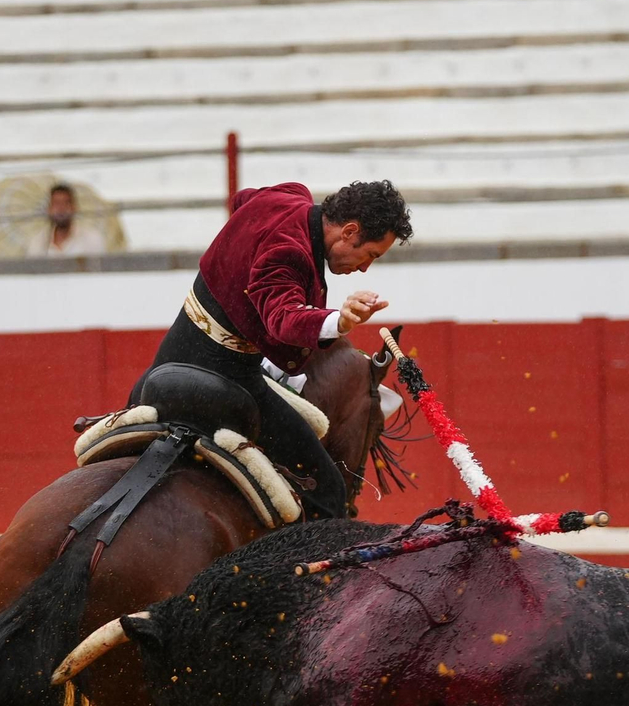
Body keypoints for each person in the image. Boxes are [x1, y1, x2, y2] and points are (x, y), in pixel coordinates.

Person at [124, 180, 411, 522]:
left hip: (170, 358)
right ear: (349, 231)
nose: (364, 268)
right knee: (329, 490)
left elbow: (242, 199)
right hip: (224, 378)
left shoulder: (288, 196)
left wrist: (240, 253)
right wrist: (341, 320)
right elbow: (283, 319)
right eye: (371, 255)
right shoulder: (289, 252)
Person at [25, 183, 108, 256]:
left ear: (74, 208)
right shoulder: (37, 243)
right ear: (49, 209)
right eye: (56, 203)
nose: (61, 209)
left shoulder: (92, 238)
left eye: (66, 203)